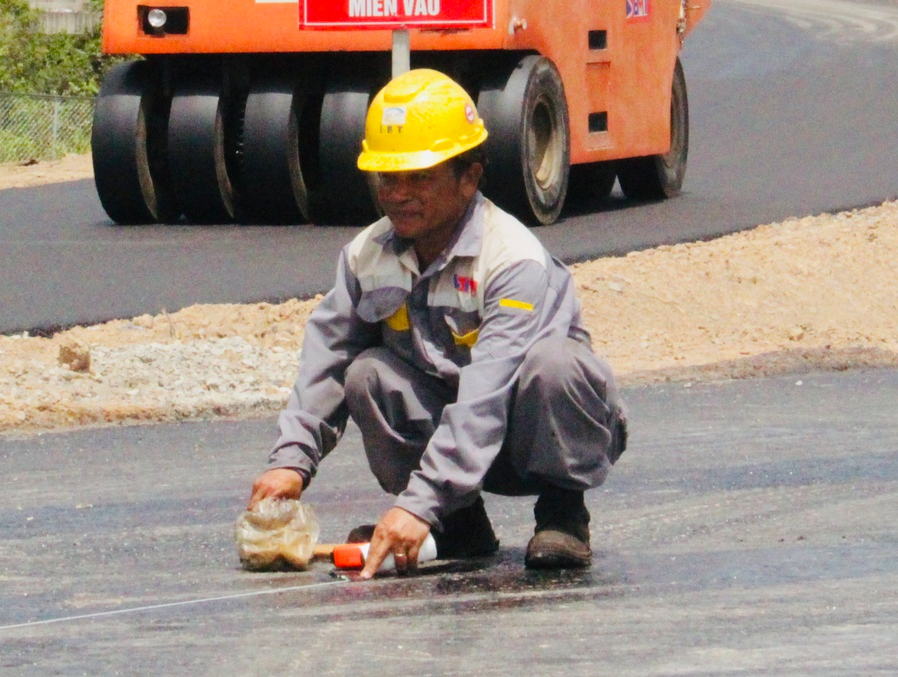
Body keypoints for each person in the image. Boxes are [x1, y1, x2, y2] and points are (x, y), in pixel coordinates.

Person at [246, 68, 627, 577]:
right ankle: (461, 526)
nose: (399, 194)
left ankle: (563, 512)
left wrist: (417, 502)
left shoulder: (512, 260)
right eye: (388, 178)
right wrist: (291, 460)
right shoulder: (366, 256)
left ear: (469, 177)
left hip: (532, 436)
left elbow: (488, 393)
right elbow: (329, 360)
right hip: (454, 445)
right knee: (367, 373)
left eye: (419, 177)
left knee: (554, 364)